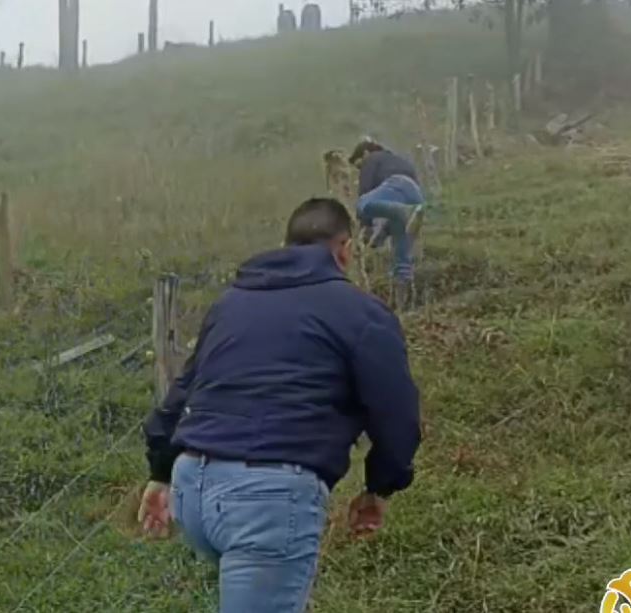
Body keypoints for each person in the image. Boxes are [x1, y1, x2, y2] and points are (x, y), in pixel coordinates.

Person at [138, 197, 422, 613]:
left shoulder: (230, 303)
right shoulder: (360, 313)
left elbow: (183, 391)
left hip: (193, 491)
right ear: (344, 248)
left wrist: (161, 472)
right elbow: (395, 412)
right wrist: (380, 486)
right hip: (267, 501)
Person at [349, 140, 426, 308]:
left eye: (359, 166)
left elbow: (366, 190)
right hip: (415, 197)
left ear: (365, 154)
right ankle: (403, 305)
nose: (360, 170)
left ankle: (405, 213)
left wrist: (365, 227)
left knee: (362, 204)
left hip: (397, 187)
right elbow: (387, 207)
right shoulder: (399, 160)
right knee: (401, 259)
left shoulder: (373, 158)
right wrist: (379, 235)